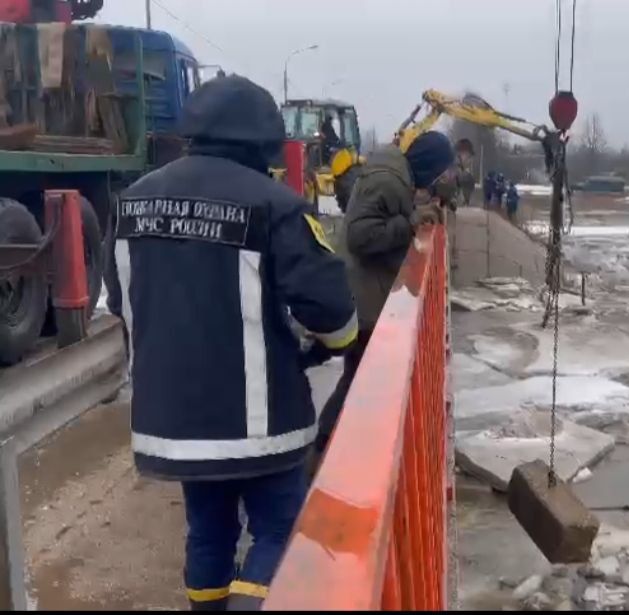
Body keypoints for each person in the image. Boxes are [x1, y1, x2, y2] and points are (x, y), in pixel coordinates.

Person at [104, 76, 358, 611]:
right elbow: (333, 314)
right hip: (259, 425)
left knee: (209, 531)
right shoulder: (274, 204)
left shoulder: (130, 203)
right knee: (278, 532)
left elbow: (119, 299)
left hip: (170, 422)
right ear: (264, 145)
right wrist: (327, 346)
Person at [316, 131, 455, 458]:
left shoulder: (393, 175)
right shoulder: (389, 182)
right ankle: (327, 450)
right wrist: (409, 223)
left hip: (365, 293)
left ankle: (339, 448)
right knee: (359, 380)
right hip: (364, 299)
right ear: (428, 167)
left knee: (360, 378)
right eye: (440, 174)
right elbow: (359, 236)